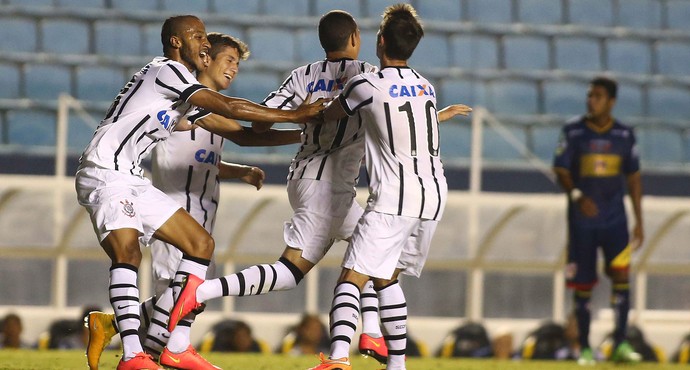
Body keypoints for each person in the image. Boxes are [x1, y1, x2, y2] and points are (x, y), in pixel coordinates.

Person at [167, 9, 470, 365]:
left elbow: (262, 122)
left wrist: (300, 122)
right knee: (335, 265)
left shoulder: (303, 76)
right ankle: (351, 344)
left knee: (358, 260)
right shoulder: (369, 76)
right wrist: (437, 115)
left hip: (309, 178)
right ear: (356, 39)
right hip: (331, 187)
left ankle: (371, 335)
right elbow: (398, 118)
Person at [74, 14, 325, 370]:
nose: (204, 42)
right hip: (104, 171)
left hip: (131, 179)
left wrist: (310, 135)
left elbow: (242, 134)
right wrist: (297, 115)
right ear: (176, 42)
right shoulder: (166, 70)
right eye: (198, 36)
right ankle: (133, 355)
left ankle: (173, 345)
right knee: (128, 254)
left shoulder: (183, 96)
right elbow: (228, 106)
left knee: (201, 245)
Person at [301, 4, 470, 370]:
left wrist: (308, 110)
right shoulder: (426, 86)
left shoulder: (365, 83)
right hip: (434, 195)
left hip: (395, 196)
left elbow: (330, 114)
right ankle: (397, 365)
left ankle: (338, 358)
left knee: (352, 277)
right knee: (386, 276)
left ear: (379, 41)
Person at [552, 76, 644, 365]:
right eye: (590, 95)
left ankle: (620, 344)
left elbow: (634, 178)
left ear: (611, 101)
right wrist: (578, 195)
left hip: (615, 220)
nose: (591, 100)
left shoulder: (625, 135)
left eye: (598, 96)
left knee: (621, 276)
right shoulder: (574, 131)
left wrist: (639, 220)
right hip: (582, 222)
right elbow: (560, 169)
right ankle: (586, 348)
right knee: (583, 284)